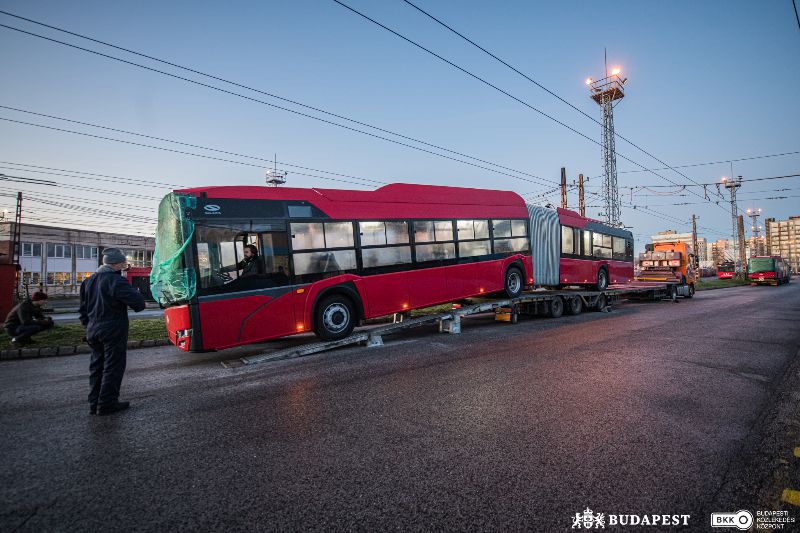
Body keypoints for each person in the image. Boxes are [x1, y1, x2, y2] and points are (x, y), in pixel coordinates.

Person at [79, 248, 146, 416]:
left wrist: (89, 327)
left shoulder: (88, 282)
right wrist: (135, 292)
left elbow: (82, 310)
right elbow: (138, 304)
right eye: (124, 263)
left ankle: (94, 403)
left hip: (93, 330)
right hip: (113, 330)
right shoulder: (116, 281)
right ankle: (108, 402)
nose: (125, 266)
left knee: (97, 367)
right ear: (116, 264)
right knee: (113, 366)